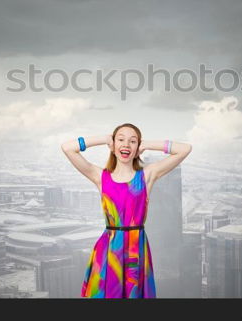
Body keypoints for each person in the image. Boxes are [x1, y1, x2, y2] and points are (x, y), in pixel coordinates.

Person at [61, 122, 192, 298]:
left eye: (132, 141)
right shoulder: (101, 177)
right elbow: (68, 148)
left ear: (137, 148)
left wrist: (146, 144)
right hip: (109, 249)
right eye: (120, 140)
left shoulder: (146, 176)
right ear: (113, 146)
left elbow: (185, 149)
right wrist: (105, 139)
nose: (126, 145)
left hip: (135, 249)